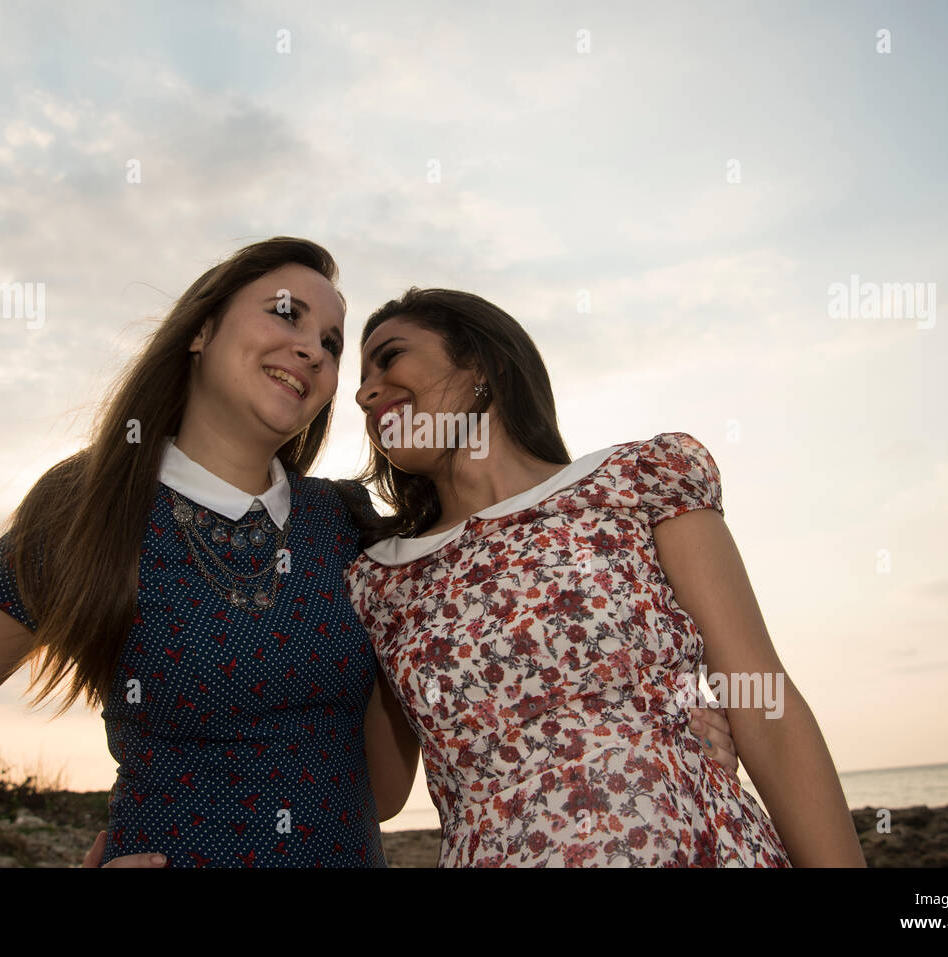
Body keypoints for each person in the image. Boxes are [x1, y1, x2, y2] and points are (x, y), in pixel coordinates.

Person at [0, 237, 737, 869]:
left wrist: (650, 725)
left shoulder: (357, 530)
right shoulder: (85, 506)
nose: (315, 350)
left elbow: (382, 789)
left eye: (333, 343)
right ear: (204, 327)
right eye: (290, 315)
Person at [344, 287, 867, 867]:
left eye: (389, 357)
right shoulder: (380, 579)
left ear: (484, 364)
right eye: (360, 382)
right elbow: (382, 793)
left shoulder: (636, 483)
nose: (365, 391)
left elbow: (759, 694)